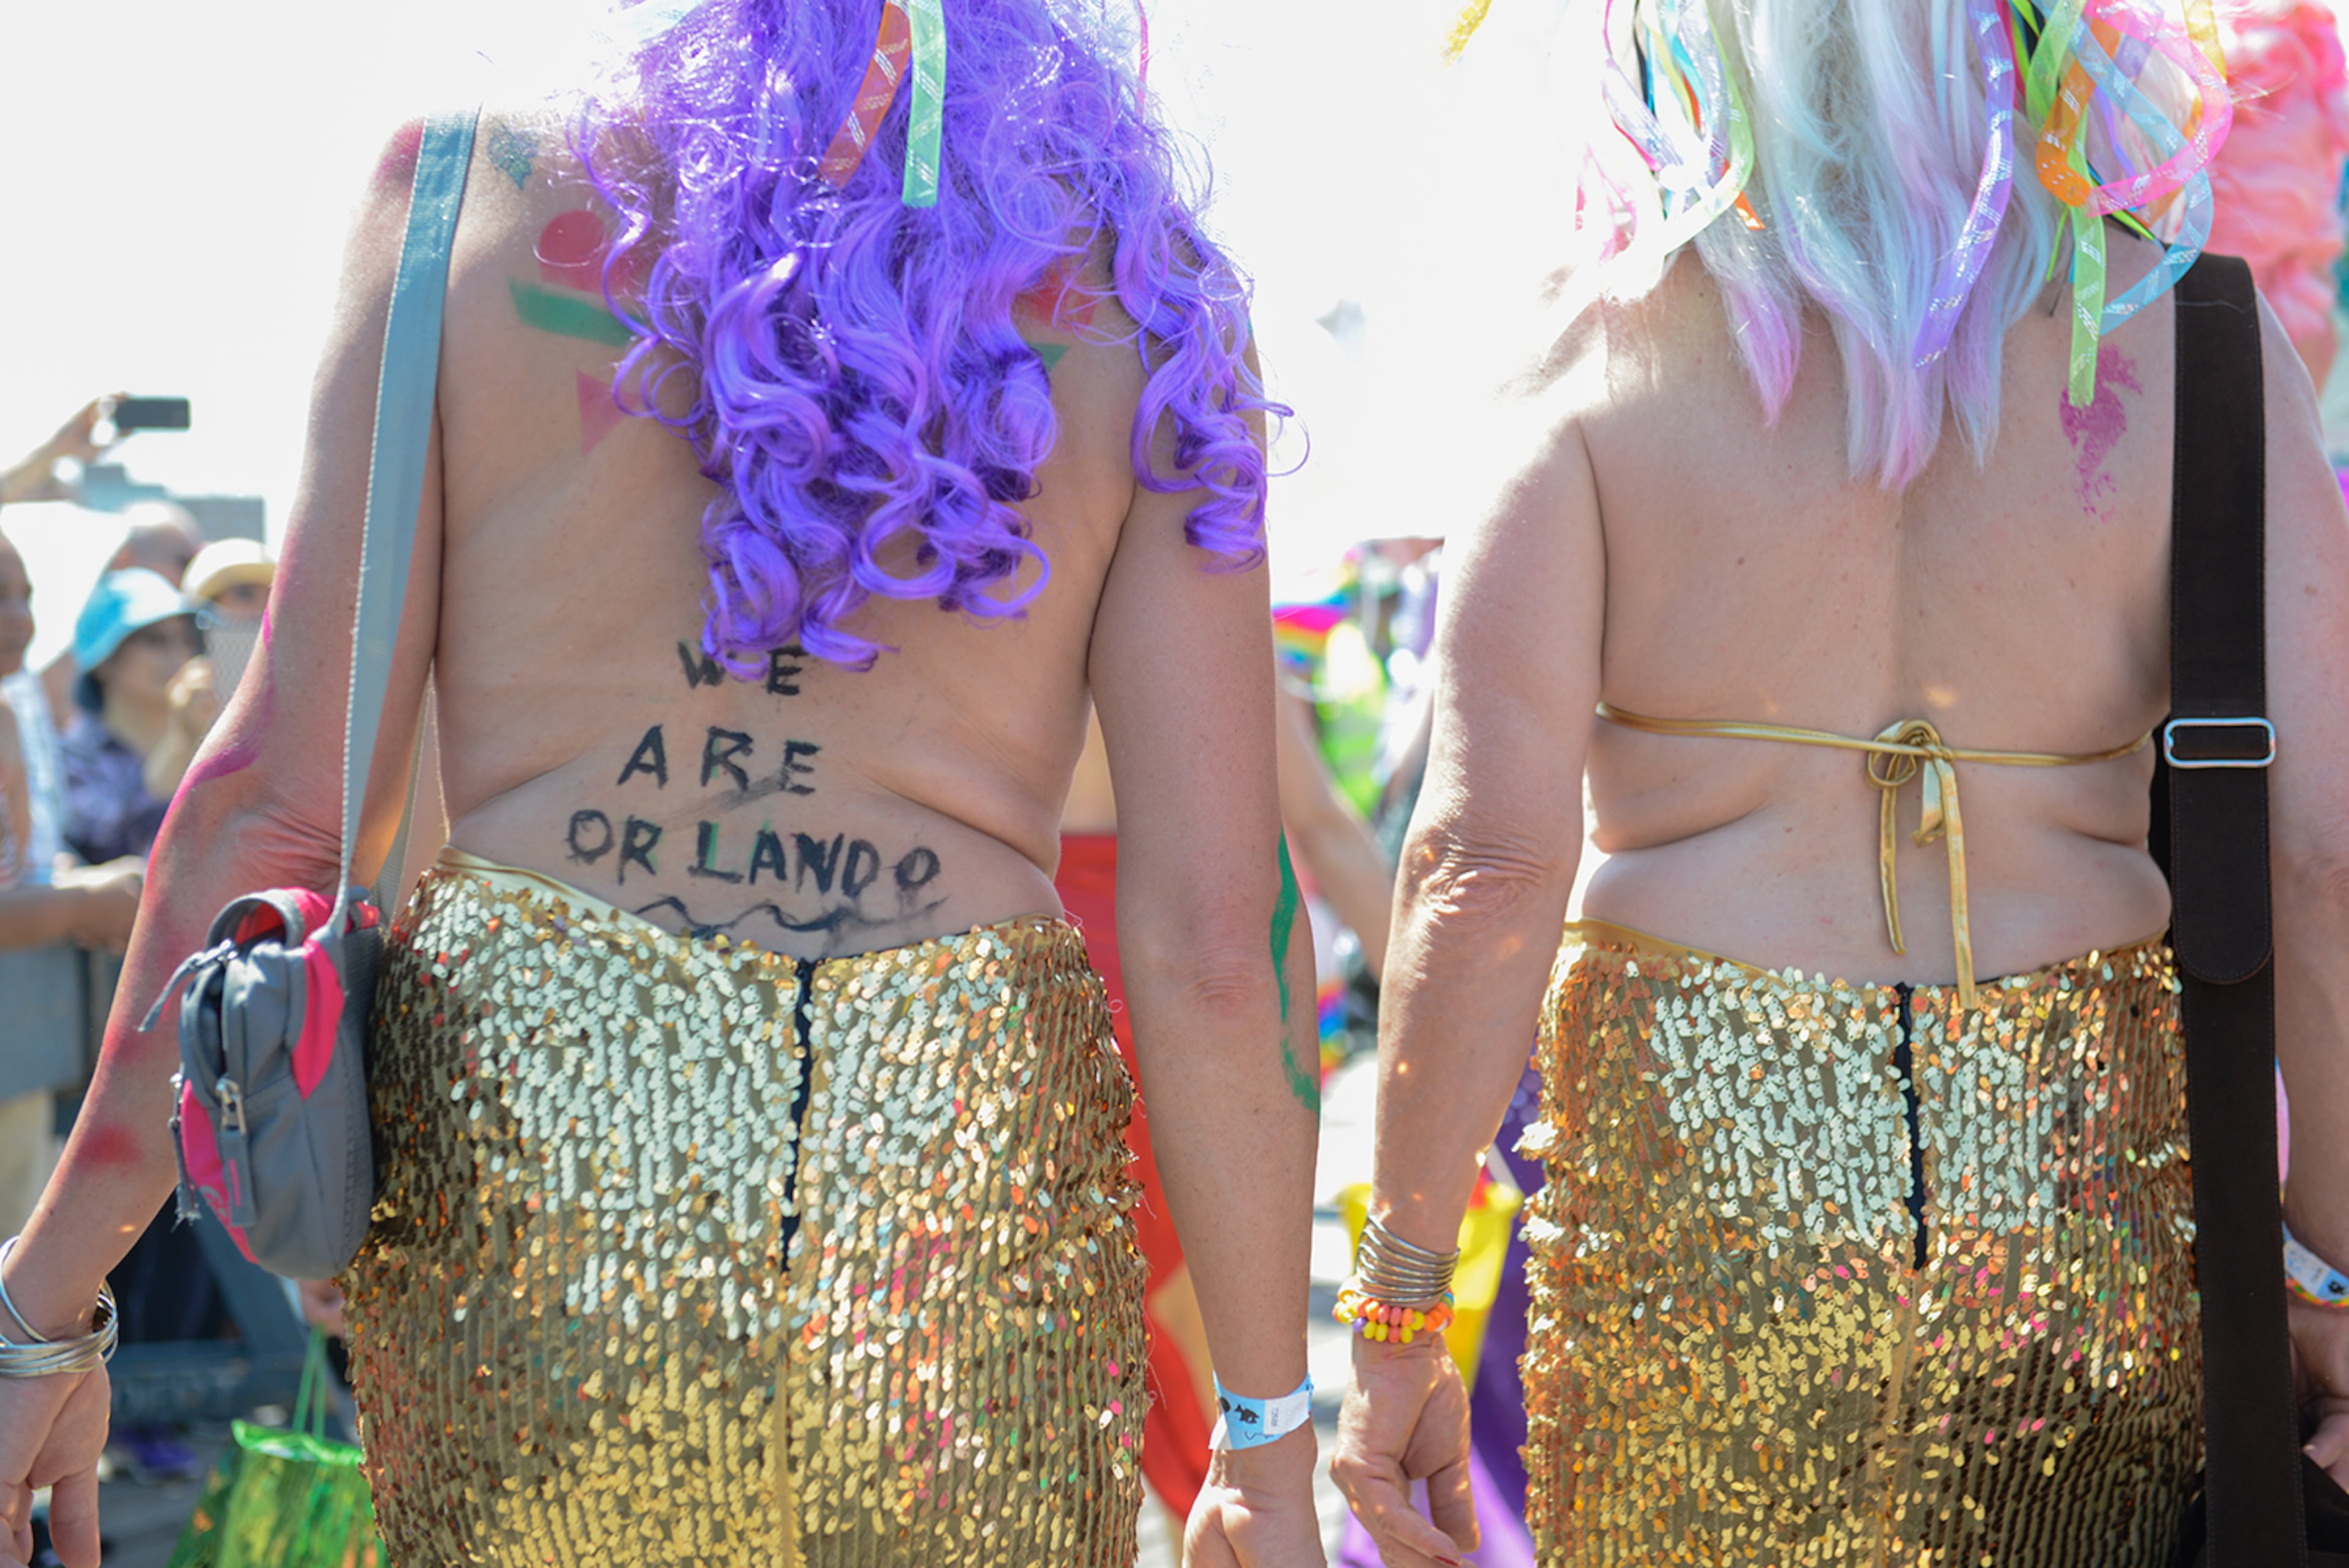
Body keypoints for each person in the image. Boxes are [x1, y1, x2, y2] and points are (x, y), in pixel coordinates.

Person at [0, 4, 1325, 1566]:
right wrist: (1265, 1435)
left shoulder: (459, 201)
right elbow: (1214, 945)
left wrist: (41, 1316)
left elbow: (271, 821)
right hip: (945, 1195)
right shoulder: (1141, 292)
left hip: (533, 1174)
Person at [1332, 4, 2349, 1567]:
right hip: (2071, 1200)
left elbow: (1480, 865)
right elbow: (2322, 863)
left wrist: (1396, 1313)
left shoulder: (1592, 352)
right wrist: (2330, 1283)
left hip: (1698, 1197)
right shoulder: (2198, 345)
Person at [0, 528, 141, 1238]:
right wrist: (79, 904)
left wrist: (71, 887)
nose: (19, 617)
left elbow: (17, 866)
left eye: (25, 595)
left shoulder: (10, 717)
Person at [55, 570, 202, 866]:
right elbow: (108, 847)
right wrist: (179, 739)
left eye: (185, 639)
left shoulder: (210, 746)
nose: (177, 654)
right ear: (104, 660)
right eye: (155, 640)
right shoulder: (69, 757)